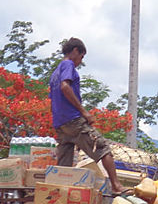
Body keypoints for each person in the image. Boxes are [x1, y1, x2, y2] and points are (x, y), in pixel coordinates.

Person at [48, 37, 123, 194]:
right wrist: (83, 111)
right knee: (103, 149)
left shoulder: (55, 72)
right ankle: (116, 186)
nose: (80, 61)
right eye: (81, 57)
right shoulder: (68, 65)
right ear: (75, 51)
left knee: (64, 165)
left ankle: (58, 197)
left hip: (60, 124)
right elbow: (65, 87)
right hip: (74, 120)